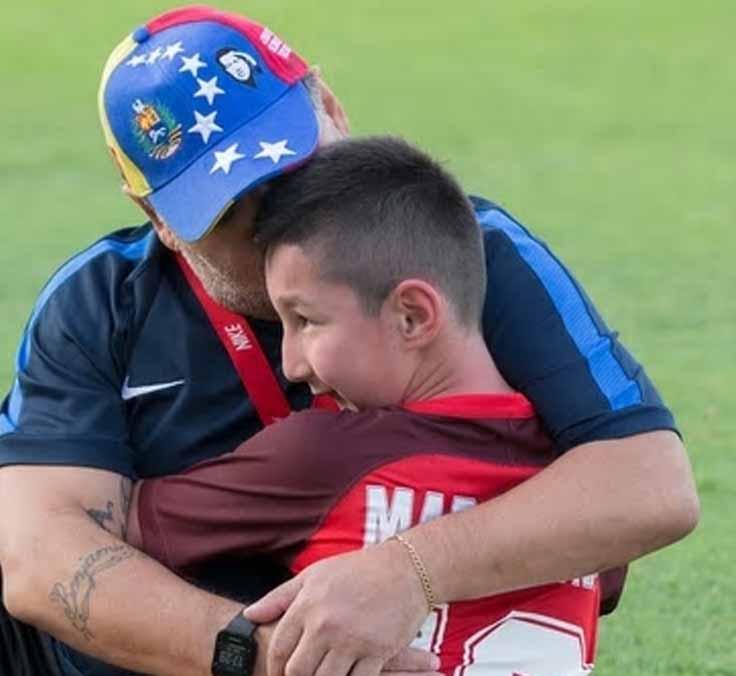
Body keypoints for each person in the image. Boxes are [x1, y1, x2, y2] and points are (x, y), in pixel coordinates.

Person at [0, 6, 697, 676]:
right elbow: (40, 565)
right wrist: (263, 658)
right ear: (162, 220)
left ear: (333, 107)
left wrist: (404, 575)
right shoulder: (102, 296)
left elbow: (649, 482)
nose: (288, 215)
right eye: (240, 216)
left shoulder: (455, 249)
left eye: (295, 167)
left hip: (396, 644)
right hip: (141, 662)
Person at [126, 136, 618, 675]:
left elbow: (119, 528)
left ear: (411, 316)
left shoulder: (324, 454)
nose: (291, 363)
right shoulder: (579, 475)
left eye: (305, 320)